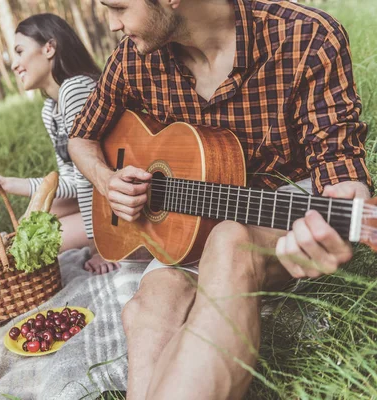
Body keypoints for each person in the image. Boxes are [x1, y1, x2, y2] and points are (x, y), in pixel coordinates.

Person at [68, 0, 372, 398]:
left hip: (277, 215)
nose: (112, 24)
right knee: (148, 311)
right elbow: (81, 137)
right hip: (185, 227)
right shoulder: (134, 58)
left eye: (119, 7)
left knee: (230, 241)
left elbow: (340, 172)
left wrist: (346, 207)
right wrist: (107, 182)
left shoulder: (305, 36)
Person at [0, 13, 121, 274]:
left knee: (33, 242)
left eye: (20, 51)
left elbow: (88, 179)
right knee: (32, 222)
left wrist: (100, 247)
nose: (15, 64)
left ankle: (107, 237)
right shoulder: (50, 109)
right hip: (100, 197)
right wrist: (7, 183)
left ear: (49, 48)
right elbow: (73, 181)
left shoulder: (75, 88)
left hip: (119, 196)